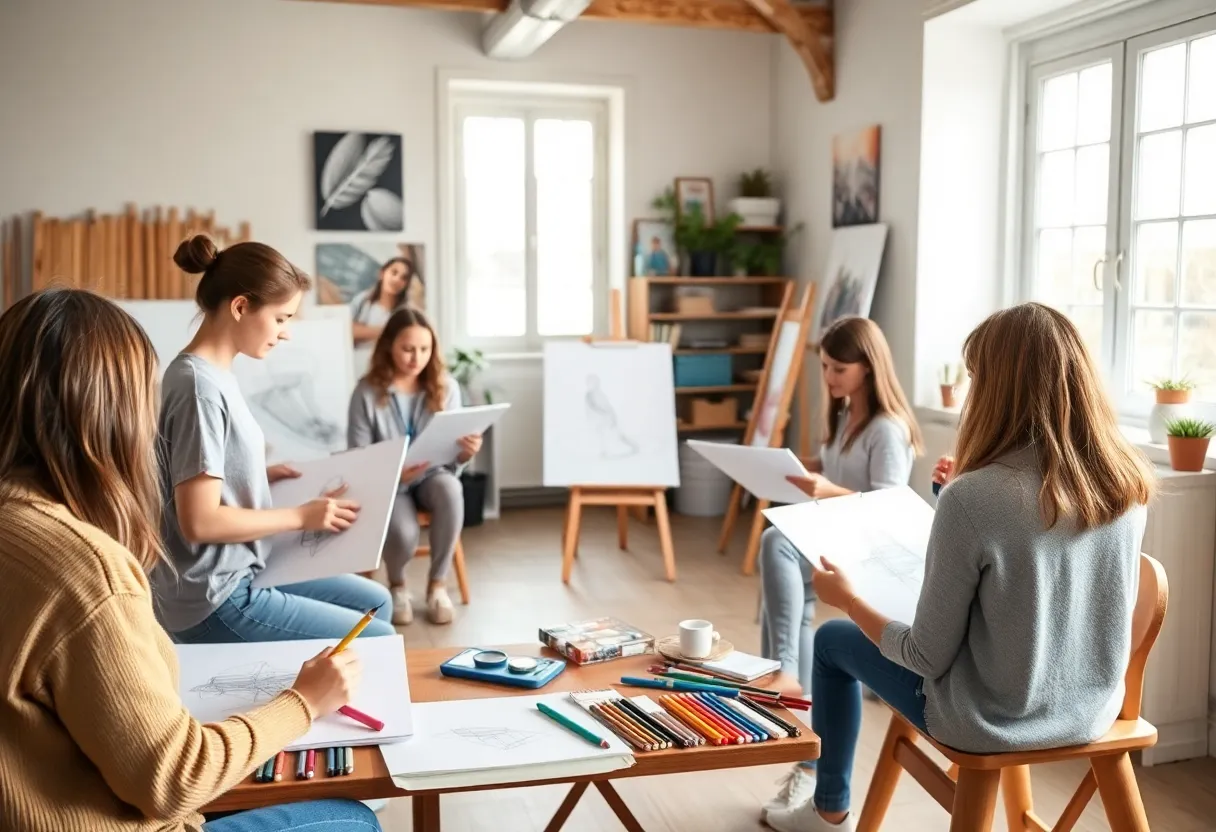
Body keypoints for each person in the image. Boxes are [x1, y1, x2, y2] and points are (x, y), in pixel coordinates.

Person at [763, 303, 1156, 832]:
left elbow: (925, 655)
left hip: (988, 720)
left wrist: (849, 600)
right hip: (1091, 710)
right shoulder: (1125, 484)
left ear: (998, 388)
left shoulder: (974, 497)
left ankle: (828, 812)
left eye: (976, 378)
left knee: (832, 640)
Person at [0, 288, 381, 832]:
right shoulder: (88, 571)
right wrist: (303, 701)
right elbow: (174, 780)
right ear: (111, 412)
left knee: (372, 606)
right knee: (351, 818)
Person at [155, 235, 394, 644]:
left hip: (240, 570)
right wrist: (301, 517)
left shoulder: (213, 376)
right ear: (240, 307)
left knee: (377, 601)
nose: (286, 334)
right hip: (215, 596)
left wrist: (257, 476)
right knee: (378, 636)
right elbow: (198, 521)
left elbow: (195, 473)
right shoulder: (199, 387)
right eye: (281, 318)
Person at [758, 317, 922, 817]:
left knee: (777, 543)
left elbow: (888, 511)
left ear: (868, 367)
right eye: (825, 366)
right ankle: (795, 705)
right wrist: (803, 470)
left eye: (838, 368)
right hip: (839, 537)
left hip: (869, 549)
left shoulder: (887, 429)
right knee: (786, 580)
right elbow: (838, 473)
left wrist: (828, 491)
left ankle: (784, 673)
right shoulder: (847, 415)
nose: (828, 377)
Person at [347, 308, 481, 626]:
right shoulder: (366, 392)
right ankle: (397, 585)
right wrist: (394, 474)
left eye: (424, 349)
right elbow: (358, 456)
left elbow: (452, 455)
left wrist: (466, 453)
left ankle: (437, 585)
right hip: (388, 483)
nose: (416, 358)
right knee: (403, 531)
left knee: (451, 489)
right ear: (389, 346)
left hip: (433, 474)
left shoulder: (446, 387)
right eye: (408, 349)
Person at [350, 255, 418, 370]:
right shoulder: (362, 301)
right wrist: (388, 332)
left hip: (387, 368)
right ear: (382, 274)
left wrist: (364, 330)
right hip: (356, 365)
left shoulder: (406, 311)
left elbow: (406, 339)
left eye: (404, 278)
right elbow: (348, 331)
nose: (397, 279)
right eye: (394, 272)